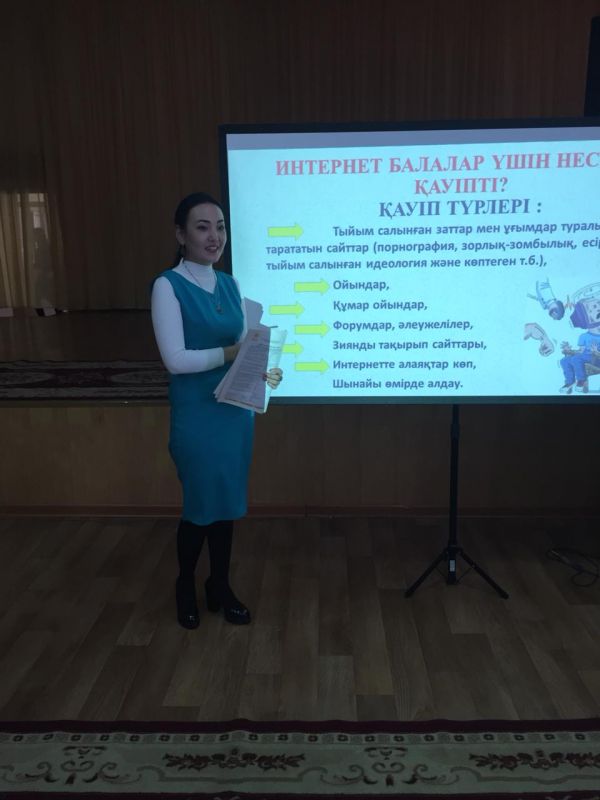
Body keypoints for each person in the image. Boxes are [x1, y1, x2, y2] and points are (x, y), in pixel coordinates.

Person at [150, 192, 282, 629]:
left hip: (234, 412)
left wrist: (261, 367)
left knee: (226, 504)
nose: (214, 236)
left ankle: (219, 585)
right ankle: (185, 584)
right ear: (181, 234)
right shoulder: (167, 286)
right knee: (200, 506)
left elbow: (244, 347)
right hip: (196, 415)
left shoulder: (230, 284)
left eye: (220, 226)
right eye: (202, 227)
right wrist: (231, 353)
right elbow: (176, 360)